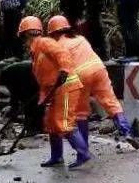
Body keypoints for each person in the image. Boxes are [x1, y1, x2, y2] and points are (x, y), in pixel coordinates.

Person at [46, 15, 139, 149]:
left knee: (81, 112)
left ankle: (84, 149)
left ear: (52, 33)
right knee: (112, 103)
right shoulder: (80, 39)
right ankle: (127, 131)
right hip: (99, 69)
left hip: (80, 75)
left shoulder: (57, 46)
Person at [17, 15, 92, 169]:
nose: (25, 40)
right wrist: (43, 99)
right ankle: (56, 156)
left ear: (28, 34)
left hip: (66, 86)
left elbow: (62, 54)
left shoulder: (44, 43)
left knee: (63, 123)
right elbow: (44, 81)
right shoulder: (35, 53)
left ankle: (83, 153)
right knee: (51, 123)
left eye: (25, 36)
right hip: (55, 90)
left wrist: (64, 70)